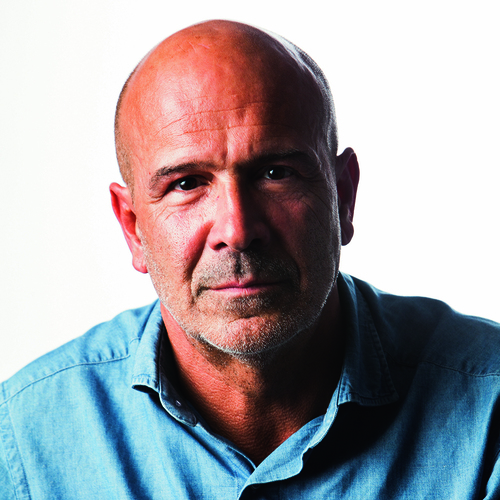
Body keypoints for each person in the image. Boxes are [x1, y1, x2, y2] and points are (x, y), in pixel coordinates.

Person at [1, 19, 499, 499]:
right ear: (133, 227)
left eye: (276, 173)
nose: (237, 231)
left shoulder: (490, 411)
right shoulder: (23, 443)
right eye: (186, 184)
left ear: (343, 197)